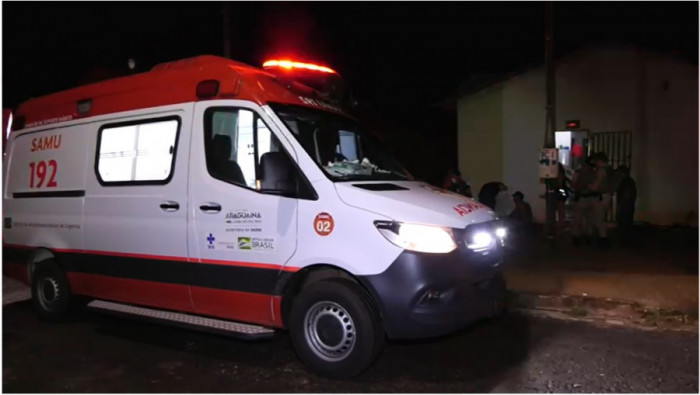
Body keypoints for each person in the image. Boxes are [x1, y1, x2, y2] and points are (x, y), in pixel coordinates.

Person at [588, 152, 613, 248]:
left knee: (599, 220)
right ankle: (603, 239)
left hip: (601, 196)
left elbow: (595, 187)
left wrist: (588, 186)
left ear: (599, 161)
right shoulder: (610, 170)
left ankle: (602, 240)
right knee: (602, 219)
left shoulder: (601, 171)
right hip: (608, 196)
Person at [571, 157, 597, 246]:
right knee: (589, 220)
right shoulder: (594, 173)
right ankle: (587, 238)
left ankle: (577, 238)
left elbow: (573, 184)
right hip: (591, 197)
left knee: (578, 220)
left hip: (582, 197)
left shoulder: (578, 173)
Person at [615, 165, 637, 246]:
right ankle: (626, 240)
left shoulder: (626, 181)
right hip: (628, 204)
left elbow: (627, 194)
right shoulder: (628, 181)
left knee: (625, 222)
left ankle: (625, 241)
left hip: (626, 205)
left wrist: (621, 204)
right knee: (626, 222)